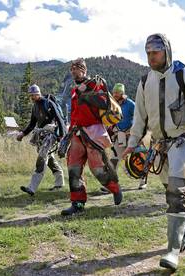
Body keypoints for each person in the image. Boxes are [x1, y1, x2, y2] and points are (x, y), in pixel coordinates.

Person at [122, 34, 185, 271]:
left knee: (177, 189)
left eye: (156, 52)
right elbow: (139, 117)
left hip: (183, 141)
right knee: (171, 192)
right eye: (148, 52)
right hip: (159, 146)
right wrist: (132, 143)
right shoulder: (144, 82)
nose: (152, 57)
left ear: (167, 51)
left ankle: (173, 250)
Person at [61, 58, 123, 216]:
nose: (74, 71)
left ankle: (114, 188)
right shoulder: (74, 90)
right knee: (73, 168)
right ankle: (78, 203)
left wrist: (86, 94)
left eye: (77, 68)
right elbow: (74, 113)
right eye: (72, 69)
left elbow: (104, 104)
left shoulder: (95, 84)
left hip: (93, 131)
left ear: (84, 70)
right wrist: (69, 133)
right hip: (77, 132)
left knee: (97, 169)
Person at [16, 84, 66, 196]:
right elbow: (32, 124)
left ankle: (32, 188)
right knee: (49, 158)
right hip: (41, 136)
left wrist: (61, 136)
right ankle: (59, 182)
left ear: (38, 93)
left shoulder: (49, 103)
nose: (32, 98)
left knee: (42, 157)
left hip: (52, 135)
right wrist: (23, 134)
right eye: (31, 96)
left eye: (33, 95)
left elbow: (59, 119)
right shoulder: (35, 107)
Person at [104, 83, 147, 191]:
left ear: (122, 93)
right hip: (119, 135)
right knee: (115, 159)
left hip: (133, 135)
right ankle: (111, 183)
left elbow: (140, 117)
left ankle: (143, 181)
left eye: (117, 93)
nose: (115, 94)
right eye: (114, 92)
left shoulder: (131, 104)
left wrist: (135, 131)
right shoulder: (113, 104)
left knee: (139, 157)